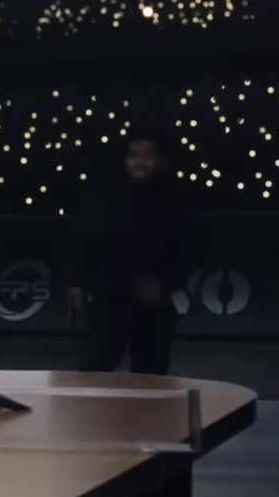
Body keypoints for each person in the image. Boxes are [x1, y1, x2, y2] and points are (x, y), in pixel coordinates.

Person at [67, 128, 193, 375]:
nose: (140, 162)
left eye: (148, 156)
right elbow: (82, 240)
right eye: (134, 155)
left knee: (151, 375)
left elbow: (186, 247)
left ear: (159, 160)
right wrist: (76, 281)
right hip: (108, 296)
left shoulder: (174, 199)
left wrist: (167, 284)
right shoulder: (104, 197)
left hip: (153, 302)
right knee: (93, 370)